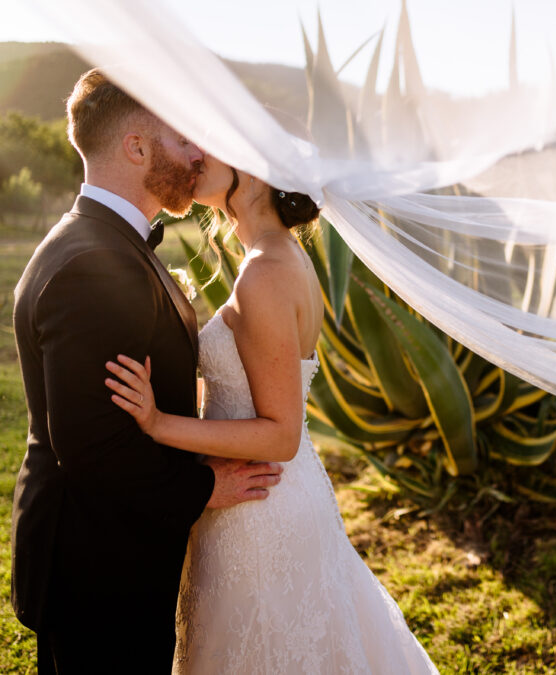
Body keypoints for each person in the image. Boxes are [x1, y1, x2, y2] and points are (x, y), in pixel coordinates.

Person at [104, 152, 439, 673]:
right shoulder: (276, 258)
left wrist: (158, 423)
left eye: (211, 143)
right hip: (274, 492)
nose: (194, 154)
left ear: (255, 165)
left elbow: (281, 433)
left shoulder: (265, 274)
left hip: (259, 507)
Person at [11, 69, 284, 673]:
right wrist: (207, 487)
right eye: (183, 137)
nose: (197, 154)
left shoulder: (102, 242)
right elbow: (95, 452)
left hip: (114, 557)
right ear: (136, 147)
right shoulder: (91, 265)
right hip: (98, 574)